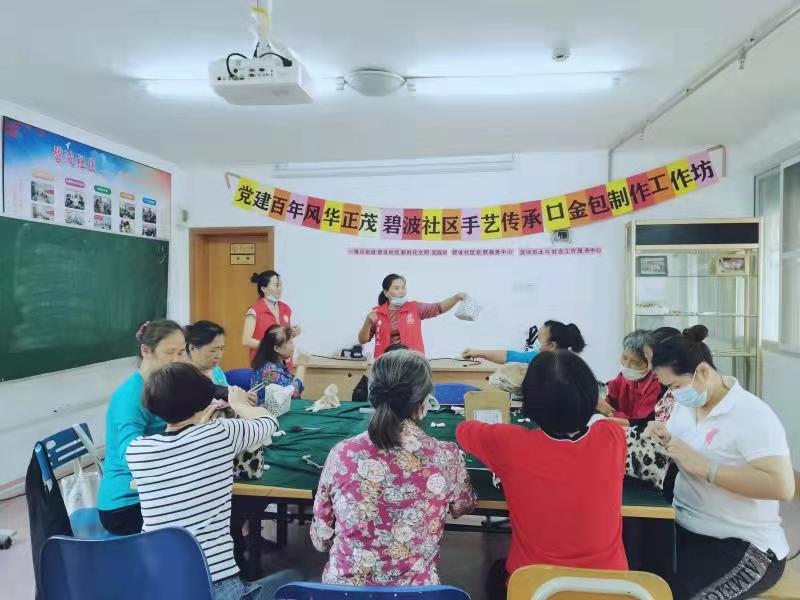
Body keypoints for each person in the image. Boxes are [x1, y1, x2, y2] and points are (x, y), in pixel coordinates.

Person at [457, 350, 627, 599]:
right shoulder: (612, 436)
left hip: (535, 586)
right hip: (611, 588)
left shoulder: (508, 443)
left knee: (495, 575)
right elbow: (605, 419)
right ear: (591, 394)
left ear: (530, 399)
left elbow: (465, 429)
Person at [127, 362, 298, 600]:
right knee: (295, 576)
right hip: (215, 582)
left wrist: (201, 424)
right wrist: (238, 404)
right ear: (203, 399)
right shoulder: (221, 433)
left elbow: (182, 449)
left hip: (159, 583)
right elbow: (268, 422)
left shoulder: (137, 450)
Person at [646, 328, 795, 600]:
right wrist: (665, 437)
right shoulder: (685, 405)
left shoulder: (752, 415)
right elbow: (686, 446)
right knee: (637, 578)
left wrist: (708, 470)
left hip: (744, 545)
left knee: (672, 595)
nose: (673, 394)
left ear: (703, 372)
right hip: (686, 526)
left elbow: (782, 487)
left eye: (676, 386)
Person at [310, 349, 476, 586]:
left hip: (343, 593)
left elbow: (321, 539)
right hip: (417, 595)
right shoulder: (447, 456)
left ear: (373, 396)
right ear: (423, 402)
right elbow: (463, 506)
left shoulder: (342, 453)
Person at [97, 319, 185, 535]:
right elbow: (131, 454)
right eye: (170, 352)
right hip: (125, 504)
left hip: (152, 489)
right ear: (146, 351)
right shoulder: (130, 397)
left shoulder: (161, 386)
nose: (177, 360)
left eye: (181, 353)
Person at [357, 274, 465, 358]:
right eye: (396, 288)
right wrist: (368, 322)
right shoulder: (377, 312)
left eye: (403, 288)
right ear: (386, 293)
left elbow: (438, 308)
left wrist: (456, 298)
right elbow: (362, 340)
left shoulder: (415, 308)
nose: (401, 291)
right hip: (385, 363)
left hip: (412, 362)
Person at [596, 330, 661, 428]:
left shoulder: (656, 386)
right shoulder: (623, 377)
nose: (626, 366)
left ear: (650, 363)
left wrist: (608, 410)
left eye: (635, 362)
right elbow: (609, 392)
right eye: (625, 358)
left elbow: (638, 424)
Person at [462, 320, 586, 364]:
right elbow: (509, 356)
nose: (535, 342)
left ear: (551, 346)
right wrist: (477, 352)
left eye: (539, 339)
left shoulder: (561, 367)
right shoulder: (537, 357)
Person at [242, 270, 301, 362]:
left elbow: (282, 337)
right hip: (264, 363)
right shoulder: (254, 311)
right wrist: (271, 347)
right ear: (264, 289)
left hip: (284, 363)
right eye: (276, 285)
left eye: (281, 285)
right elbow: (246, 340)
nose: (280, 288)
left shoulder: (286, 308)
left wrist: (294, 333)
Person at [250, 325, 308, 403]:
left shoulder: (271, 363)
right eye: (290, 342)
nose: (294, 345)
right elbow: (292, 394)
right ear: (277, 348)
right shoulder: (271, 373)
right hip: (268, 410)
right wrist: (302, 365)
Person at [185, 320, 228, 385]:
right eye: (213, 350)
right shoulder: (182, 375)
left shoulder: (216, 370)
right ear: (192, 348)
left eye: (221, 349)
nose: (219, 356)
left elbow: (226, 389)